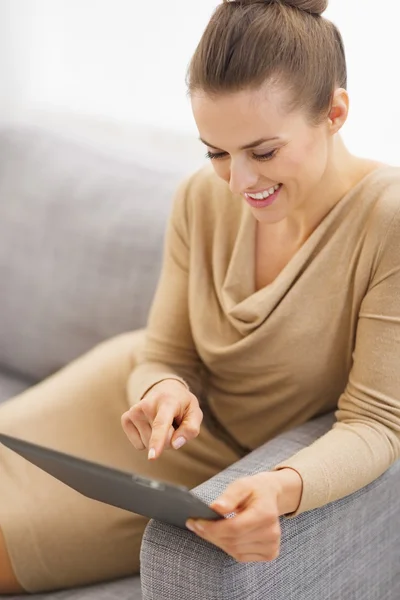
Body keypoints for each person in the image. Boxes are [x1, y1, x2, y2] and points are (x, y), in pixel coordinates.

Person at [1, 0, 399, 593]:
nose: (239, 182)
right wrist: (160, 392)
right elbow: (162, 356)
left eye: (263, 152)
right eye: (216, 152)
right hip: (133, 416)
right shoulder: (199, 198)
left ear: (335, 112)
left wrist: (282, 485)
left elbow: (376, 423)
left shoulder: (386, 223)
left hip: (230, 460)